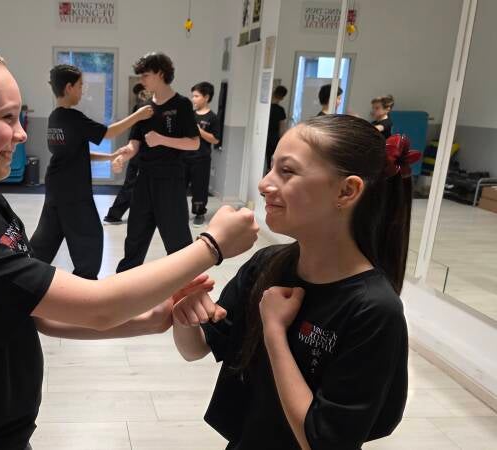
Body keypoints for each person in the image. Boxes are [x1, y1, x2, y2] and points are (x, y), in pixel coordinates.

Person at [0, 39, 259, 450]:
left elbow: (34, 312)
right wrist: (213, 244)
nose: (20, 134)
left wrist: (152, 318)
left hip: (7, 432)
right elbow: (98, 304)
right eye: (8, 118)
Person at [172, 115, 412, 449]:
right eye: (271, 167)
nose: (264, 183)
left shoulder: (372, 310)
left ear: (347, 190)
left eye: (287, 171)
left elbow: (322, 441)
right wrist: (185, 315)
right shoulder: (267, 266)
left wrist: (274, 332)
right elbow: (196, 348)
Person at [29, 65, 152, 279]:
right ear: (69, 87)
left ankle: (24, 277)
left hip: (56, 189)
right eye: (80, 85)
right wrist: (138, 115)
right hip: (73, 193)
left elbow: (76, 153)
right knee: (90, 240)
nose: (82, 90)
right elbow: (108, 132)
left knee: (45, 242)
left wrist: (110, 156)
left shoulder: (55, 117)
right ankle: (85, 288)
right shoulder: (73, 117)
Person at [112, 52, 201, 272]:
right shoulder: (142, 108)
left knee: (177, 239)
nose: (142, 80)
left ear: (161, 73)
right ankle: (124, 287)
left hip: (171, 179)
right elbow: (135, 144)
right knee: (135, 236)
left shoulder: (181, 105)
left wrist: (162, 139)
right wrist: (123, 156)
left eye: (145, 75)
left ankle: (187, 286)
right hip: (145, 179)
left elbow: (194, 143)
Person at [104, 83, 151, 224]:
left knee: (135, 186)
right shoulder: (141, 109)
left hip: (146, 156)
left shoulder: (151, 108)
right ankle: (114, 215)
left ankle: (115, 215)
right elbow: (135, 138)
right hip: (139, 154)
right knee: (132, 185)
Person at [186, 81, 220, 226]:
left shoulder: (213, 117)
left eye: (196, 96)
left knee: (199, 187)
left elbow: (215, 140)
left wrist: (199, 131)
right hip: (184, 157)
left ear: (206, 97)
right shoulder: (189, 115)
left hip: (201, 158)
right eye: (193, 96)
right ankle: (178, 212)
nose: (193, 99)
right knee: (179, 186)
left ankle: (199, 213)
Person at [265, 85, 288, 173]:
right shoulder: (280, 110)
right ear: (282, 98)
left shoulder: (265, 108)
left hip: (265, 136)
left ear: (273, 93)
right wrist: (283, 141)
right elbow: (282, 128)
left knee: (265, 158)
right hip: (274, 138)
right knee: (272, 160)